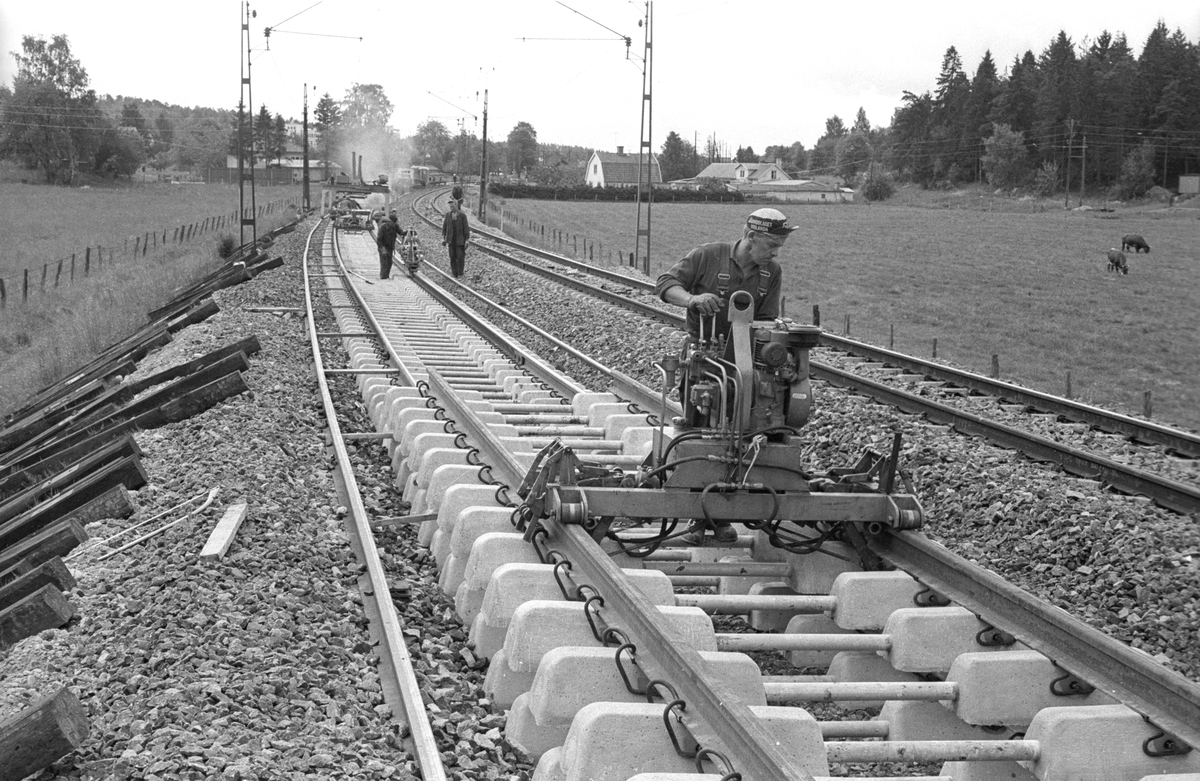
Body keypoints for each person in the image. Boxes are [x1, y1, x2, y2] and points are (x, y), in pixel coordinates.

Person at [655, 207, 800, 545]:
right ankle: (700, 517)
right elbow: (665, 284)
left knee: (744, 433)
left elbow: (765, 321)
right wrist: (692, 300)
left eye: (779, 246)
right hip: (702, 360)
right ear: (750, 237)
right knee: (700, 431)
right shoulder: (707, 255)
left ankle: (726, 510)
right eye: (772, 245)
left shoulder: (771, 272)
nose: (776, 253)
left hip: (745, 363)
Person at [441, 197, 470, 278]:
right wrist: (443, 238)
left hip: (460, 240)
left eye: (453, 206)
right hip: (451, 240)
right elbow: (444, 227)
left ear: (457, 206)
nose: (451, 208)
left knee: (460, 257)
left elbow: (466, 228)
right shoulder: (448, 215)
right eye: (450, 206)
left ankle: (460, 273)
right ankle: (454, 273)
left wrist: (467, 240)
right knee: (452, 257)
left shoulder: (462, 216)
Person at [376, 207, 402, 279]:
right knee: (384, 263)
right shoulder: (383, 227)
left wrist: (408, 232)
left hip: (390, 248)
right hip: (383, 247)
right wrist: (382, 248)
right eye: (393, 223)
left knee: (389, 263)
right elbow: (379, 240)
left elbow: (401, 232)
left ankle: (386, 276)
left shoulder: (395, 226)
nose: (394, 224)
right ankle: (383, 277)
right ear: (390, 221)